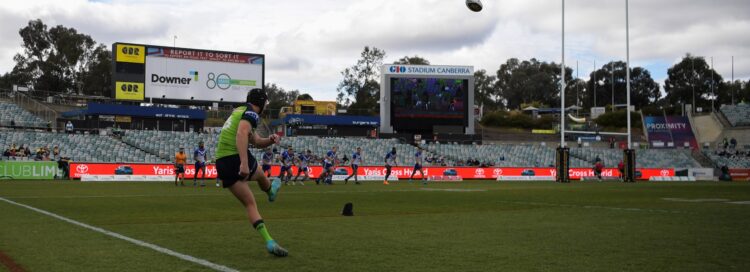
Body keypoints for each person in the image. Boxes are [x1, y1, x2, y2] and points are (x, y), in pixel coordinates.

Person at [214, 88, 287, 257]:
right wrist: (244, 164)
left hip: (222, 162)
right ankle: (271, 191)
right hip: (234, 157)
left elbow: (255, 141)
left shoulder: (239, 111)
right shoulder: (252, 113)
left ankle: (269, 241)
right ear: (260, 103)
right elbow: (241, 134)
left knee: (250, 204)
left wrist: (270, 139)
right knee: (261, 174)